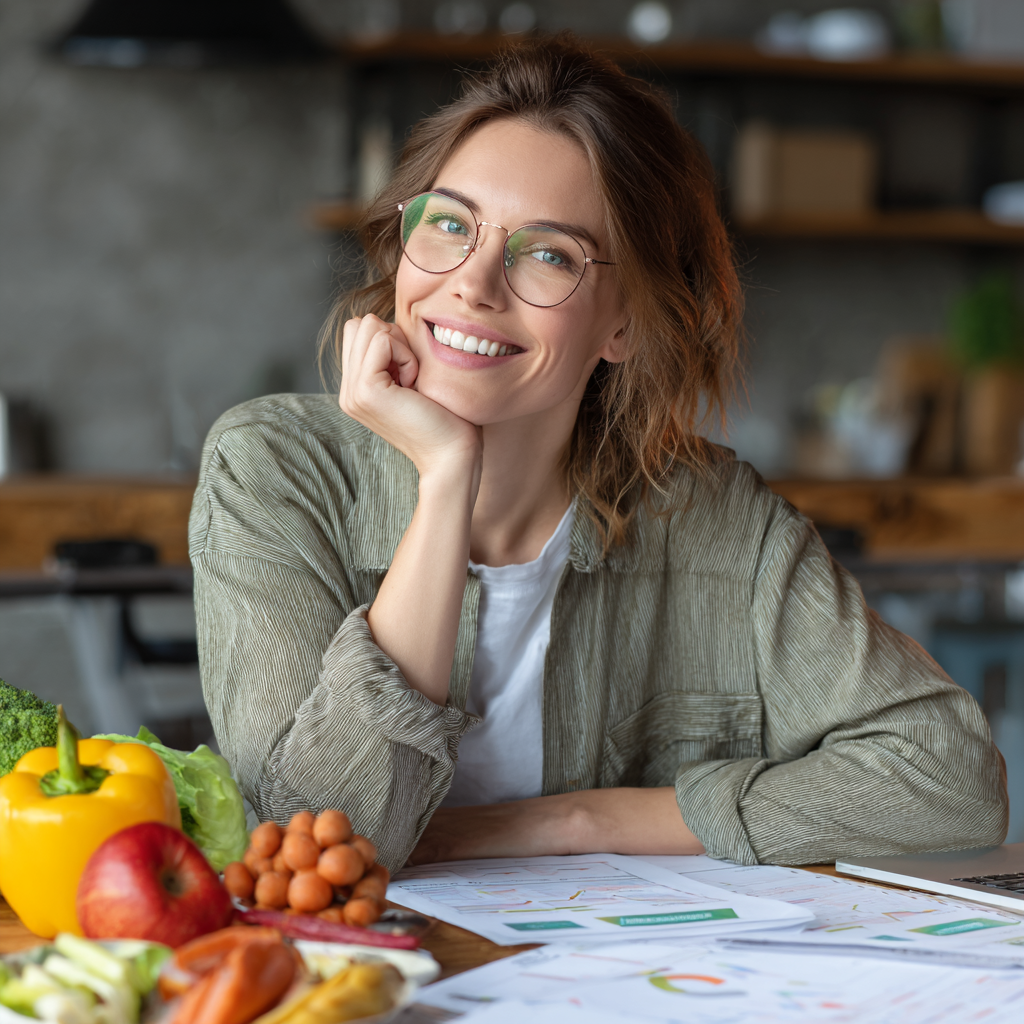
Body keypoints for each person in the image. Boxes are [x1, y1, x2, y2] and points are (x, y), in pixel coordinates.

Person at [190, 37, 1007, 874]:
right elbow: (314, 844)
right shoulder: (272, 469)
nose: (473, 285)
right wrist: (445, 484)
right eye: (449, 225)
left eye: (548, 253)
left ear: (624, 324)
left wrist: (575, 821)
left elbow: (947, 778)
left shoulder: (714, 519)